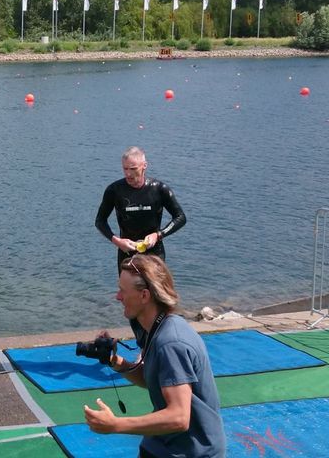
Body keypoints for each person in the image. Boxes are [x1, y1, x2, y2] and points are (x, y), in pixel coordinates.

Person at [83, 254, 226, 458]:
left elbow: (179, 417)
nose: (118, 297)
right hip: (163, 444)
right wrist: (114, 361)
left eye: (123, 291)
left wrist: (115, 424)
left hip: (191, 452)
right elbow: (153, 380)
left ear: (144, 296)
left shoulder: (171, 343)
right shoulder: (160, 328)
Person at [95, 147, 186, 272]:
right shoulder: (114, 190)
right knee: (128, 285)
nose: (128, 173)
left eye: (133, 169)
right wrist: (117, 241)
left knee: (154, 285)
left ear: (144, 166)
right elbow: (100, 221)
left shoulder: (159, 189)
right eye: (125, 168)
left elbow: (180, 217)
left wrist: (158, 235)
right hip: (127, 253)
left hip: (154, 253)